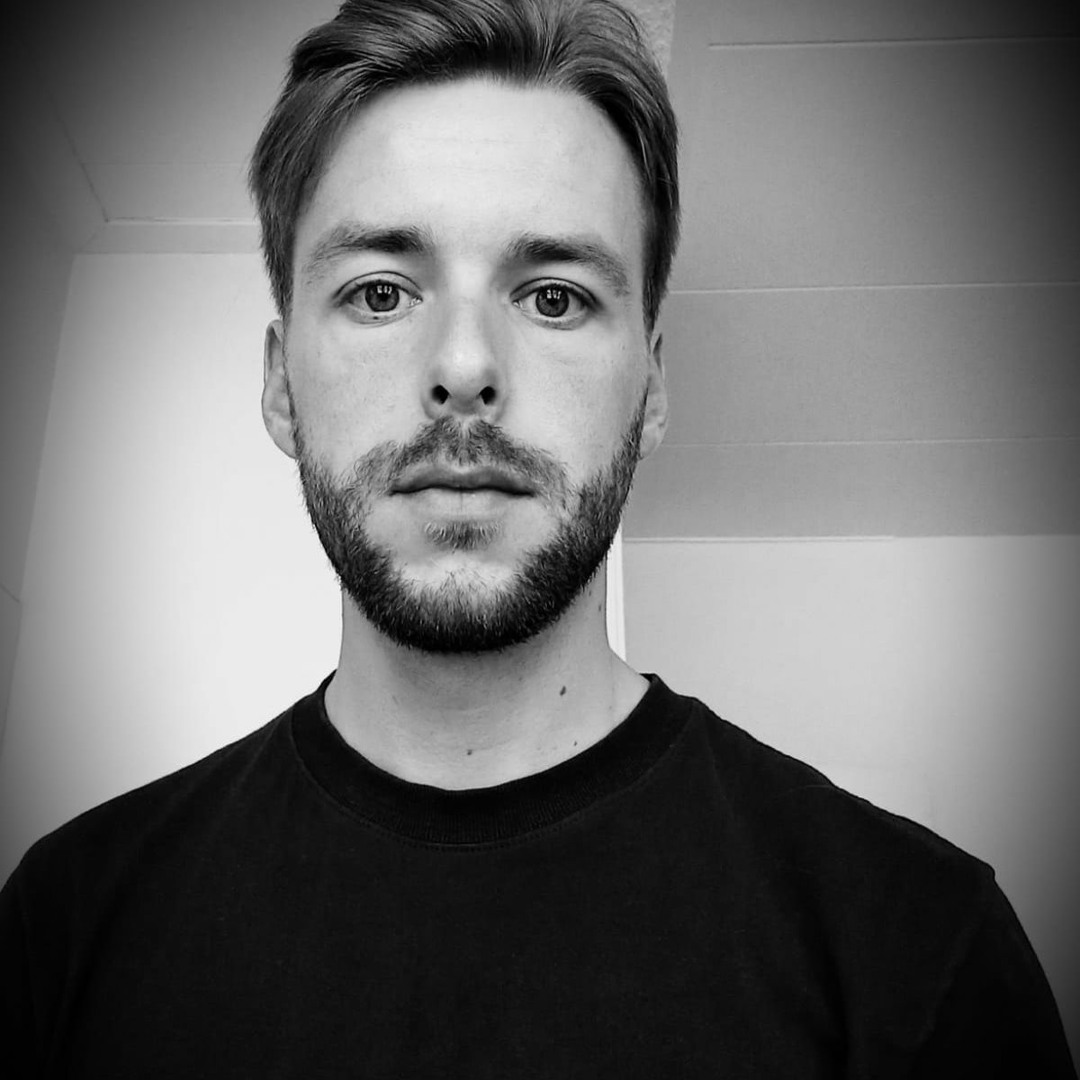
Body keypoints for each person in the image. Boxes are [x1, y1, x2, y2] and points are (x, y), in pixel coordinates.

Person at [1, 0, 1075, 1075]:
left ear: (651, 389)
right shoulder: (64, 927)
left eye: (554, 297)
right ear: (281, 385)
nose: (465, 366)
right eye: (381, 292)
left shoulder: (923, 955)